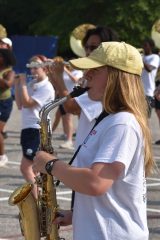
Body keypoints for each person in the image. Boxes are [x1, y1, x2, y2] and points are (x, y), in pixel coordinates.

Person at [33, 42, 154, 240]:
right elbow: (111, 191)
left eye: (95, 70)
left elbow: (96, 182)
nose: (86, 74)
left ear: (116, 77)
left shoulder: (121, 123)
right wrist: (77, 215)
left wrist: (50, 164)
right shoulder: (108, 119)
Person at [48, 26, 119, 149]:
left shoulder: (105, 84)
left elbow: (71, 107)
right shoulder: (93, 80)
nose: (87, 51)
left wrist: (59, 78)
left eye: (93, 47)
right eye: (86, 47)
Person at [14, 54, 55, 197]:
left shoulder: (47, 87)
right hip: (28, 128)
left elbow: (28, 103)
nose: (33, 71)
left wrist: (23, 83)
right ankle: (39, 202)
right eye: (30, 68)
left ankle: (37, 202)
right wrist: (18, 84)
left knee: (25, 168)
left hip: (36, 129)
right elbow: (20, 104)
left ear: (44, 68)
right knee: (35, 170)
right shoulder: (32, 85)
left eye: (36, 67)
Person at [0, 48, 16, 166]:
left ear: (5, 58)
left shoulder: (9, 72)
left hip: (4, 103)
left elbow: (7, 85)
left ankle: (2, 156)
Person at [141, 38, 160, 118]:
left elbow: (149, 69)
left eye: (146, 45)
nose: (143, 47)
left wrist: (141, 59)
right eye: (143, 45)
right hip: (139, 91)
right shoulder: (142, 57)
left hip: (148, 92)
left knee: (145, 118)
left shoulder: (155, 57)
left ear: (151, 47)